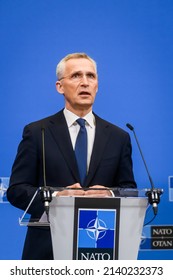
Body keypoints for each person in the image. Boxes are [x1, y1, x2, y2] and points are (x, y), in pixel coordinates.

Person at [7, 52, 136, 260]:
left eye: (91, 76)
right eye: (76, 76)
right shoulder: (37, 132)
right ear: (60, 87)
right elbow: (16, 190)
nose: (85, 82)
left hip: (101, 248)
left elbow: (129, 190)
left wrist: (110, 195)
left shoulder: (119, 137)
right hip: (47, 250)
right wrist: (57, 198)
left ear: (97, 85)